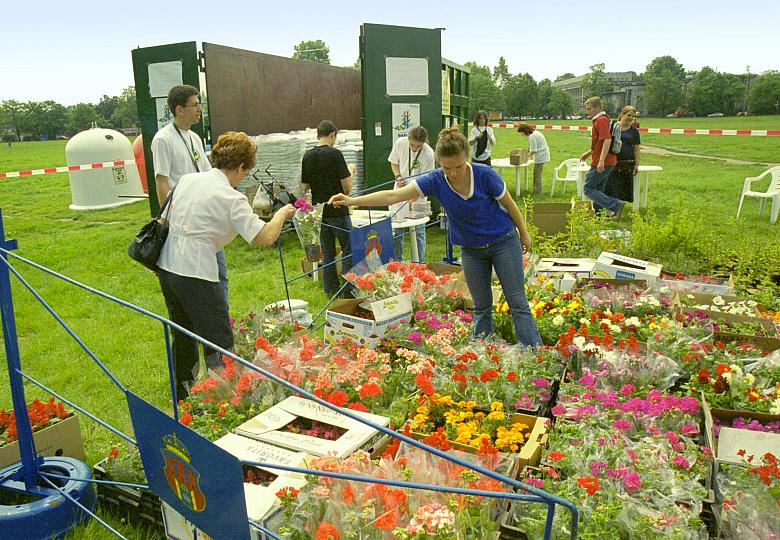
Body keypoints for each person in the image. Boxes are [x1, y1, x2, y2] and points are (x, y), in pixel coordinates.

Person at [329, 126, 542, 346]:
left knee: (517, 302)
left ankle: (534, 351)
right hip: (471, 250)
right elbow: (394, 195)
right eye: (447, 167)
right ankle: (482, 351)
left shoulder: (484, 175)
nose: (453, 173)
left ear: (466, 159)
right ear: (439, 162)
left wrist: (523, 234)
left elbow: (509, 204)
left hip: (502, 241)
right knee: (481, 306)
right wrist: (352, 200)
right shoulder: (435, 180)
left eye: (459, 166)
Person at [157, 132, 295, 397]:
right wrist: (280, 214)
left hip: (168, 267)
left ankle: (183, 396)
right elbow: (264, 237)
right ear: (241, 167)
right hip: (196, 272)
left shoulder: (188, 179)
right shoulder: (231, 197)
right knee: (218, 342)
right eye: (246, 171)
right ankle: (224, 398)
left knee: (183, 334)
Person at [151, 85, 230, 302]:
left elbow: (208, 173)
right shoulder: (163, 139)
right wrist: (166, 221)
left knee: (220, 272)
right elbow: (161, 181)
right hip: (182, 217)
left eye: (199, 104)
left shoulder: (194, 137)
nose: (200, 109)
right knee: (195, 276)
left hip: (204, 214)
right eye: (195, 105)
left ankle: (222, 319)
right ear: (179, 109)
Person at [301, 120, 357, 298]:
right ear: (333, 135)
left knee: (327, 251)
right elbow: (347, 187)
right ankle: (348, 290)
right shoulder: (335, 154)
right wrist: (352, 172)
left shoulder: (307, 156)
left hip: (320, 211)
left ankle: (330, 288)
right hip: (338, 209)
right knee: (348, 249)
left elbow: (304, 186)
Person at [388, 125, 435, 262]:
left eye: (418, 146)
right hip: (400, 190)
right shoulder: (400, 143)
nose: (414, 148)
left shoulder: (428, 154)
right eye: (412, 145)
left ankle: (419, 262)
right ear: (408, 138)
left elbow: (427, 179)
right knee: (397, 230)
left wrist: (415, 196)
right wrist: (398, 176)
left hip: (418, 192)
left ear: (424, 142)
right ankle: (397, 262)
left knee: (418, 230)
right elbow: (394, 163)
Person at [579, 96, 624, 220]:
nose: (587, 112)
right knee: (599, 189)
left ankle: (616, 205)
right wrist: (589, 152)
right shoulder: (600, 120)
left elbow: (607, 139)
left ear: (597, 108)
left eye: (589, 109)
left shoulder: (601, 120)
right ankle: (598, 215)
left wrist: (601, 161)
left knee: (588, 188)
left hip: (603, 161)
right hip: (603, 159)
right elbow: (599, 141)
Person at [605, 106, 641, 203]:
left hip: (627, 163)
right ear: (622, 114)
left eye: (633, 116)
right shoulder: (612, 127)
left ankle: (617, 213)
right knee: (611, 188)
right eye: (628, 115)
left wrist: (637, 164)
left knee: (623, 189)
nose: (630, 118)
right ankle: (609, 212)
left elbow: (636, 149)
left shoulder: (634, 131)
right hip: (612, 162)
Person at [517, 124, 550, 196]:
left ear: (524, 131)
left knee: (537, 174)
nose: (521, 135)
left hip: (541, 156)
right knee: (537, 174)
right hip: (541, 154)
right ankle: (537, 191)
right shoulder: (535, 133)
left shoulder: (532, 136)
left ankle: (538, 192)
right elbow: (531, 148)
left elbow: (533, 150)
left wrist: (525, 157)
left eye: (521, 133)